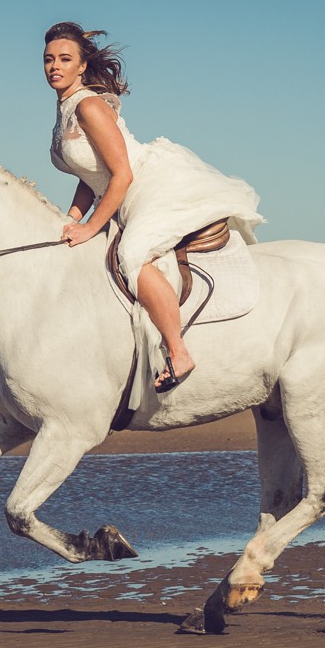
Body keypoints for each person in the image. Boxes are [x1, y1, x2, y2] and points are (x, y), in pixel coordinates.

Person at [45, 21, 263, 394]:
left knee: (132, 255)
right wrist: (70, 219)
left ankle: (178, 352)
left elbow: (122, 174)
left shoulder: (89, 107)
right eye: (49, 59)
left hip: (149, 187)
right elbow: (89, 174)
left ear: (82, 66)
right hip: (119, 194)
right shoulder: (64, 109)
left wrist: (91, 227)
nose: (55, 66)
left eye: (65, 59)